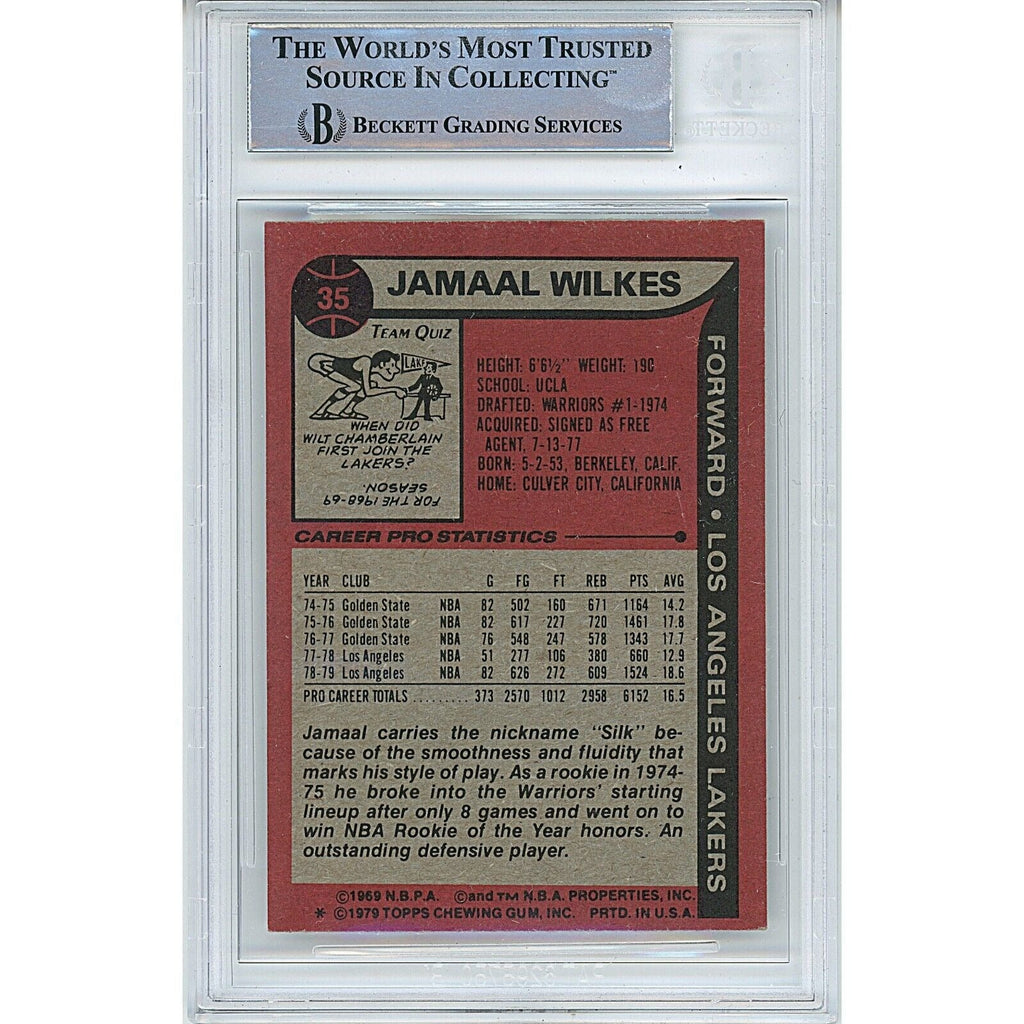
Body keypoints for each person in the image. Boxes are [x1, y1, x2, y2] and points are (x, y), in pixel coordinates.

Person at [308, 350, 406, 419]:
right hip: (320, 362)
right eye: (392, 365)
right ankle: (320, 412)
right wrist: (395, 389)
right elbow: (368, 392)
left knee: (371, 384)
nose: (396, 370)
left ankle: (347, 411)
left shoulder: (370, 370)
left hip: (325, 363)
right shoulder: (366, 362)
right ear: (382, 364)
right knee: (354, 386)